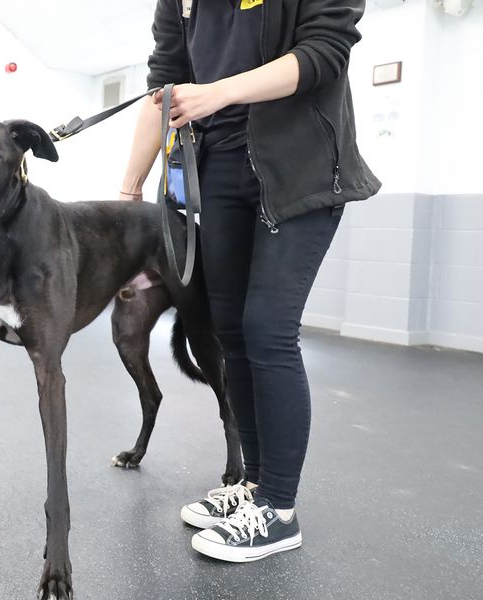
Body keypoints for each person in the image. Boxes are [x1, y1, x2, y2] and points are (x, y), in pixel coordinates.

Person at [119, 0, 380, 563]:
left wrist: (218, 91)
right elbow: (162, 89)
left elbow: (322, 54)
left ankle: (279, 510)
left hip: (302, 168)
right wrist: (127, 192)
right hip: (220, 170)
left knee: (267, 330)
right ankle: (254, 486)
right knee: (230, 330)